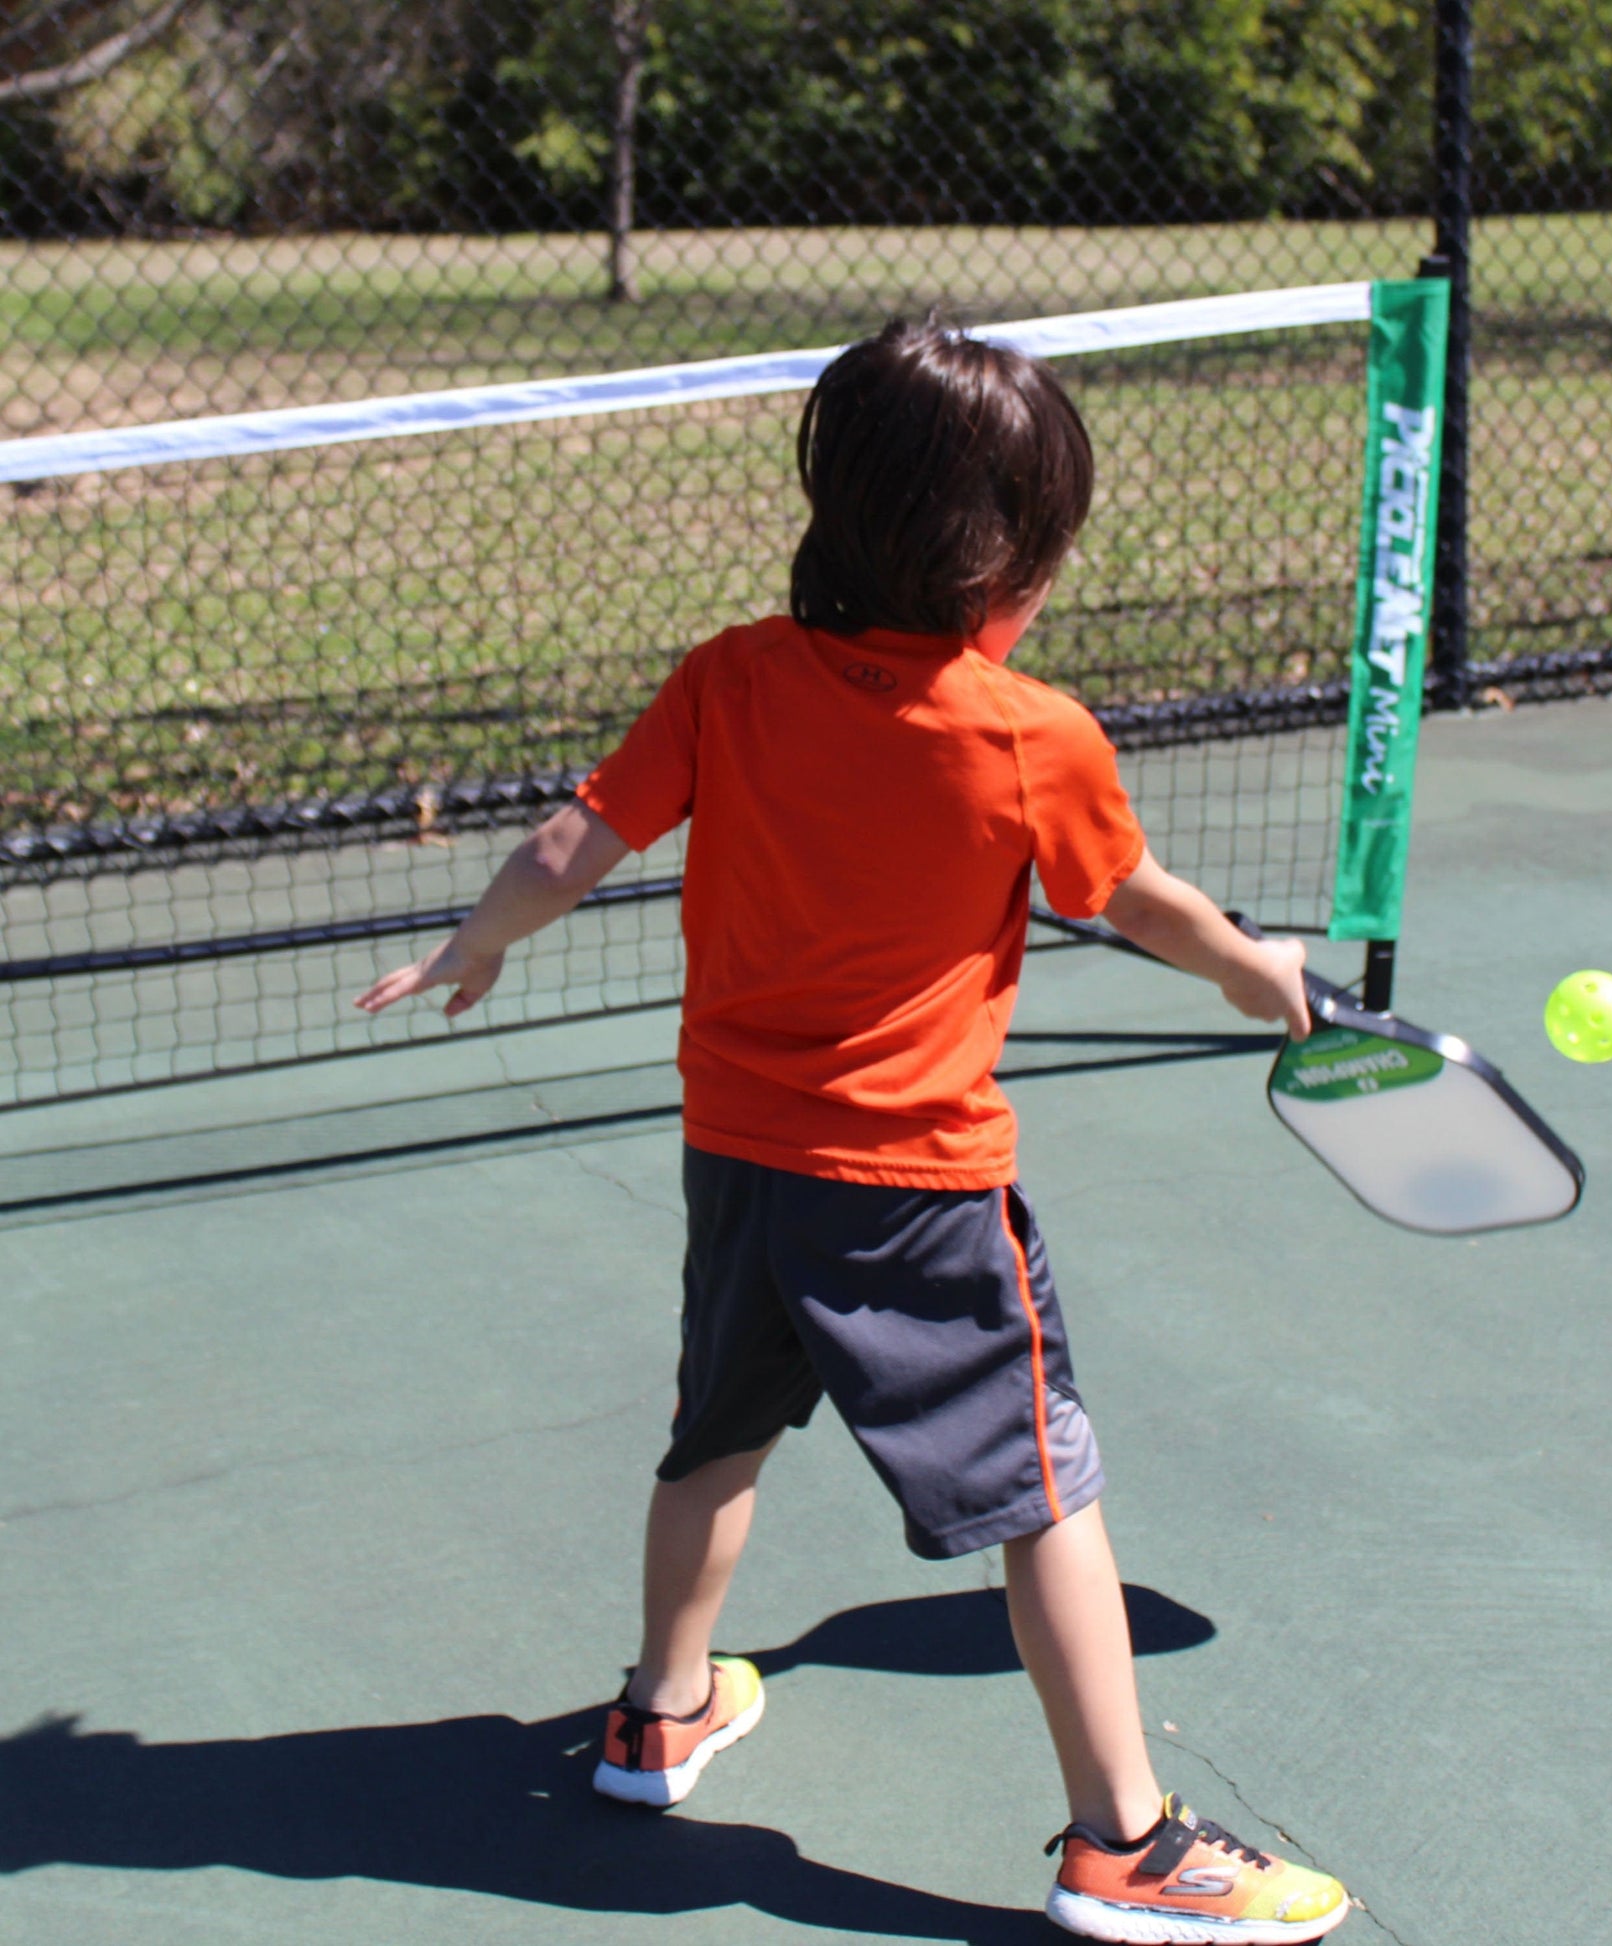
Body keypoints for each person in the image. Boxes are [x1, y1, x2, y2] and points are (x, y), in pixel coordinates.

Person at [356, 317, 1347, 1943]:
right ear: (1008, 559)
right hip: (917, 1191)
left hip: (738, 1157)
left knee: (715, 1434)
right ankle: (1127, 1841)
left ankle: (663, 1709)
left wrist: (477, 942)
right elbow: (1137, 901)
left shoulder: (731, 675)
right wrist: (1255, 968)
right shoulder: (1032, 739)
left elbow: (567, 838)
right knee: (1042, 1487)